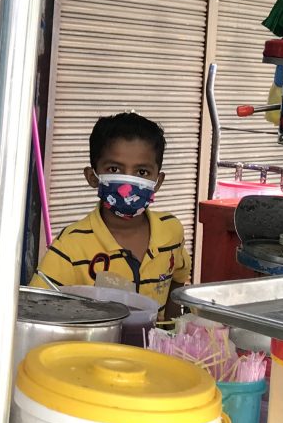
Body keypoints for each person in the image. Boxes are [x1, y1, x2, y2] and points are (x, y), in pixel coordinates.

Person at [32, 112, 190, 318]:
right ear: (92, 177)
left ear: (157, 181)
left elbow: (178, 278)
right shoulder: (71, 246)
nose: (128, 183)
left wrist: (173, 333)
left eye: (142, 172)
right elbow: (36, 306)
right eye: (115, 169)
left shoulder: (171, 231)